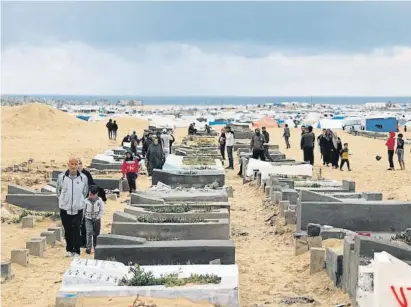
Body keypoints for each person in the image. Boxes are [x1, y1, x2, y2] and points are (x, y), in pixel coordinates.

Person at [56, 157, 88, 257]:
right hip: (64, 208)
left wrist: (79, 201)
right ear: (68, 164)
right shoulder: (61, 177)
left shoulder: (83, 178)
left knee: (76, 229)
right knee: (68, 230)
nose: (74, 166)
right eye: (72, 164)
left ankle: (76, 251)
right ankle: (69, 250)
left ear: (78, 165)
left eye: (76, 164)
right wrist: (64, 200)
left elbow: (85, 192)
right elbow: (58, 191)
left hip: (78, 208)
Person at [77, 157, 106, 248]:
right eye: (75, 164)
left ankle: (88, 243)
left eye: (79, 164)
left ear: (81, 165)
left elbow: (92, 185)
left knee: (87, 223)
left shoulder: (86, 174)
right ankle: (81, 242)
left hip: (87, 201)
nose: (77, 166)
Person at [82, 185, 105, 254]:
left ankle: (95, 247)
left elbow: (102, 210)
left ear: (96, 194)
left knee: (96, 234)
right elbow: (83, 211)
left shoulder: (99, 200)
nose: (90, 196)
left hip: (96, 219)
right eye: (90, 194)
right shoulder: (85, 201)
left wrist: (97, 217)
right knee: (89, 232)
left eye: (92, 195)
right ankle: (88, 247)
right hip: (88, 219)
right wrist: (82, 218)